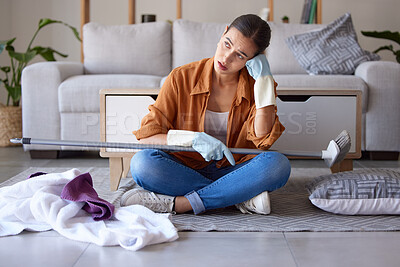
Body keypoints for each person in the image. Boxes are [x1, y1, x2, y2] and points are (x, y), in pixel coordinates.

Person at [120, 14, 291, 215]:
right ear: (224, 31)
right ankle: (239, 197)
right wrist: (190, 140)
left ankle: (181, 204)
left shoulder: (259, 86)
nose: (226, 58)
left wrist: (264, 84)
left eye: (240, 55)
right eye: (227, 44)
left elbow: (263, 137)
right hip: (184, 167)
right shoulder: (181, 77)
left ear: (254, 58)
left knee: (277, 165)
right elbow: (147, 138)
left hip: (234, 170)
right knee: (142, 164)